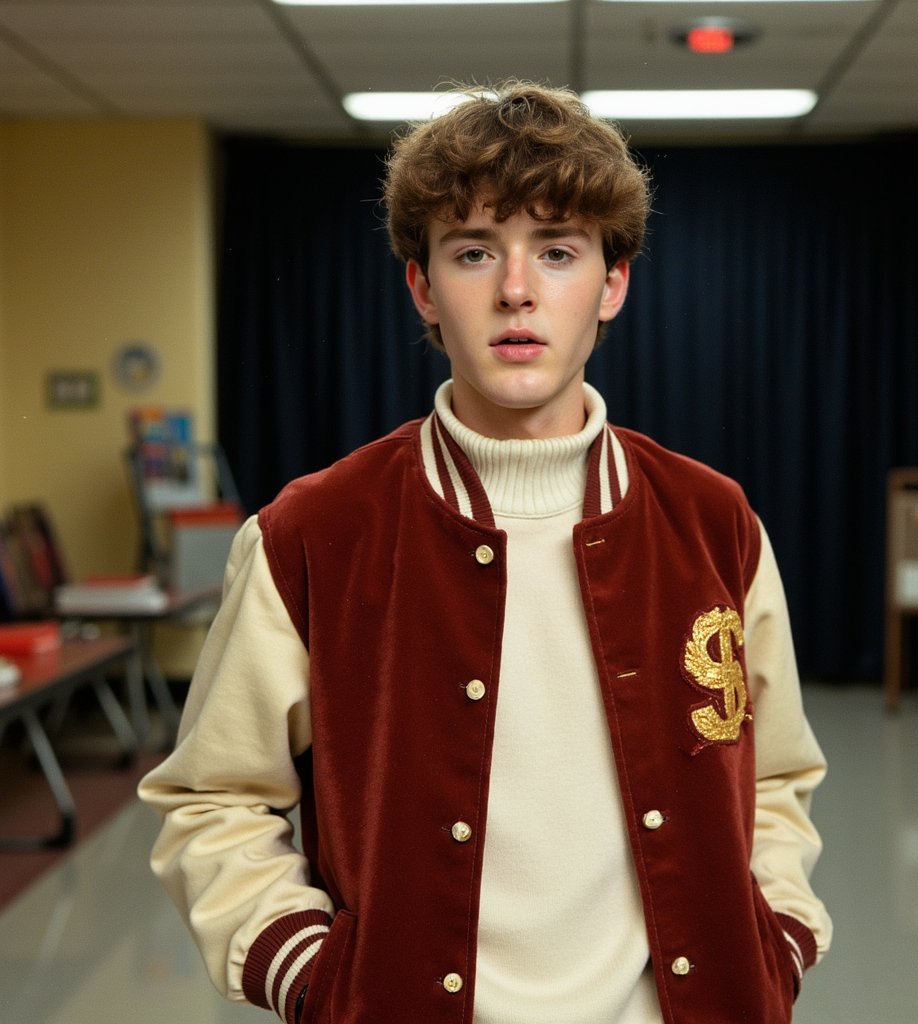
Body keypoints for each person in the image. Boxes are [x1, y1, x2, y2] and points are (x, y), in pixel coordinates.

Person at [139, 80, 832, 1024]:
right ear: (422, 286)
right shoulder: (313, 536)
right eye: (474, 253)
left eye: (557, 251)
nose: (517, 289)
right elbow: (213, 796)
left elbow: (777, 775)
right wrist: (309, 975)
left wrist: (776, 936)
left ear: (613, 284)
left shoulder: (713, 522)